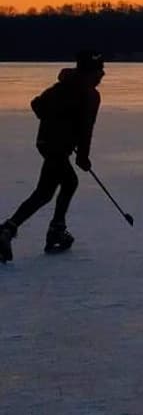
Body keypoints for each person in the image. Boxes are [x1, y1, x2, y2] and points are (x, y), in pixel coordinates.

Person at [0, 51, 105, 262]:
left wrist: (57, 121)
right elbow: (86, 128)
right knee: (44, 192)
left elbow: (37, 105)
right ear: (90, 72)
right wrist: (82, 156)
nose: (102, 75)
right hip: (57, 146)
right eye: (99, 71)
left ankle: (54, 228)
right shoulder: (89, 94)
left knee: (66, 184)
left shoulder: (63, 85)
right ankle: (9, 230)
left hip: (47, 143)